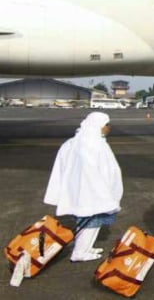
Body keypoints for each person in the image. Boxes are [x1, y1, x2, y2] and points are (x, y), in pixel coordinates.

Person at [44, 112, 123, 262]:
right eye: (107, 125)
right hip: (91, 189)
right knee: (91, 220)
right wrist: (103, 190)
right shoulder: (94, 144)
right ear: (99, 125)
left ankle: (85, 247)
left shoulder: (73, 142)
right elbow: (98, 170)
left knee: (88, 220)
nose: (109, 128)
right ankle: (79, 252)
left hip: (78, 189)